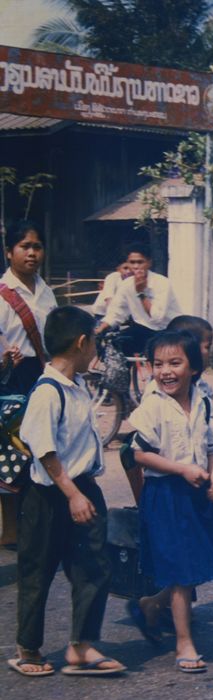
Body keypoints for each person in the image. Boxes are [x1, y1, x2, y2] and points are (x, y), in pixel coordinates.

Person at [9, 306, 126, 677]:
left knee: (95, 565)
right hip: (49, 496)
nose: (95, 351)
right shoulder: (47, 392)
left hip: (83, 488)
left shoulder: (77, 386)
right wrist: (72, 494)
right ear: (81, 342)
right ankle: (28, 649)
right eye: (94, 343)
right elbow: (44, 451)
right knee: (37, 571)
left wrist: (81, 491)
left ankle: (82, 646)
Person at [128, 330, 213, 673]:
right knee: (181, 570)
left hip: (197, 493)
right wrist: (181, 469)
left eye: (175, 363)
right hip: (167, 495)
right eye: (158, 364)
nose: (165, 371)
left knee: (203, 560)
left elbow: (212, 450)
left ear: (193, 367)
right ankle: (184, 642)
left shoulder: (204, 403)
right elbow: (139, 454)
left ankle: (152, 604)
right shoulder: (153, 406)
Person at [1, 220, 58, 550]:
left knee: (41, 448)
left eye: (37, 246)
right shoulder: (2, 294)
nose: (32, 253)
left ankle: (36, 524)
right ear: (9, 252)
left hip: (42, 375)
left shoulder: (45, 290)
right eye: (25, 246)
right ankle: (11, 529)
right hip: (12, 379)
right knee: (12, 454)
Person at [96, 242, 181, 356]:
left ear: (149, 263)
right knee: (116, 344)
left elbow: (157, 318)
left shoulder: (162, 283)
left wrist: (141, 293)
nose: (136, 267)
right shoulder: (126, 285)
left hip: (168, 329)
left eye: (140, 262)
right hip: (143, 328)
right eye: (132, 262)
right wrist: (100, 329)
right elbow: (116, 312)